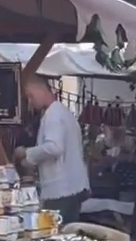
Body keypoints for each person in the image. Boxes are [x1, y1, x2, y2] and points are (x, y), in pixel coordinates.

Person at [15, 76, 88, 224]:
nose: (30, 101)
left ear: (41, 90)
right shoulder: (62, 112)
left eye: (30, 95)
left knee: (55, 235)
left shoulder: (53, 115)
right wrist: (30, 161)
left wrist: (26, 153)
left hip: (60, 190)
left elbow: (54, 148)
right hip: (71, 186)